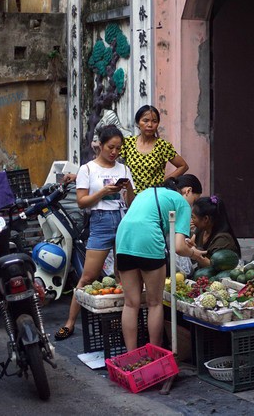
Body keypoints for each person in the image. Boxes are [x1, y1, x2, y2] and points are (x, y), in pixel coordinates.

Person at [54, 125, 135, 340]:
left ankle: (118, 321)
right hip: (100, 221)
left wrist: (129, 190)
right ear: (100, 144)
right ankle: (70, 323)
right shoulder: (87, 169)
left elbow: (131, 203)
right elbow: (82, 203)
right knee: (88, 276)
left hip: (123, 220)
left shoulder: (124, 169)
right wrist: (103, 192)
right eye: (111, 147)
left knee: (122, 275)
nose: (115, 152)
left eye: (118, 148)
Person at [114, 174, 208, 351]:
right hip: (148, 241)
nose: (191, 205)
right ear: (188, 191)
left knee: (131, 303)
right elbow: (179, 247)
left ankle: (131, 355)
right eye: (193, 199)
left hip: (123, 239)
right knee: (154, 303)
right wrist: (196, 255)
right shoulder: (181, 202)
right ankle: (154, 355)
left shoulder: (147, 192)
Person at [120, 105, 189, 194]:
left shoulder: (163, 146)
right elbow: (111, 159)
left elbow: (183, 166)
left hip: (155, 196)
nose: (150, 125)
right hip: (132, 198)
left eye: (154, 121)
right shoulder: (127, 143)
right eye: (145, 121)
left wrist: (164, 181)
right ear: (138, 123)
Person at [188, 195, 241, 265]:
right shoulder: (201, 230)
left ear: (206, 219)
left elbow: (214, 266)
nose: (191, 221)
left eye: (193, 217)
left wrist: (194, 254)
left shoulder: (223, 240)